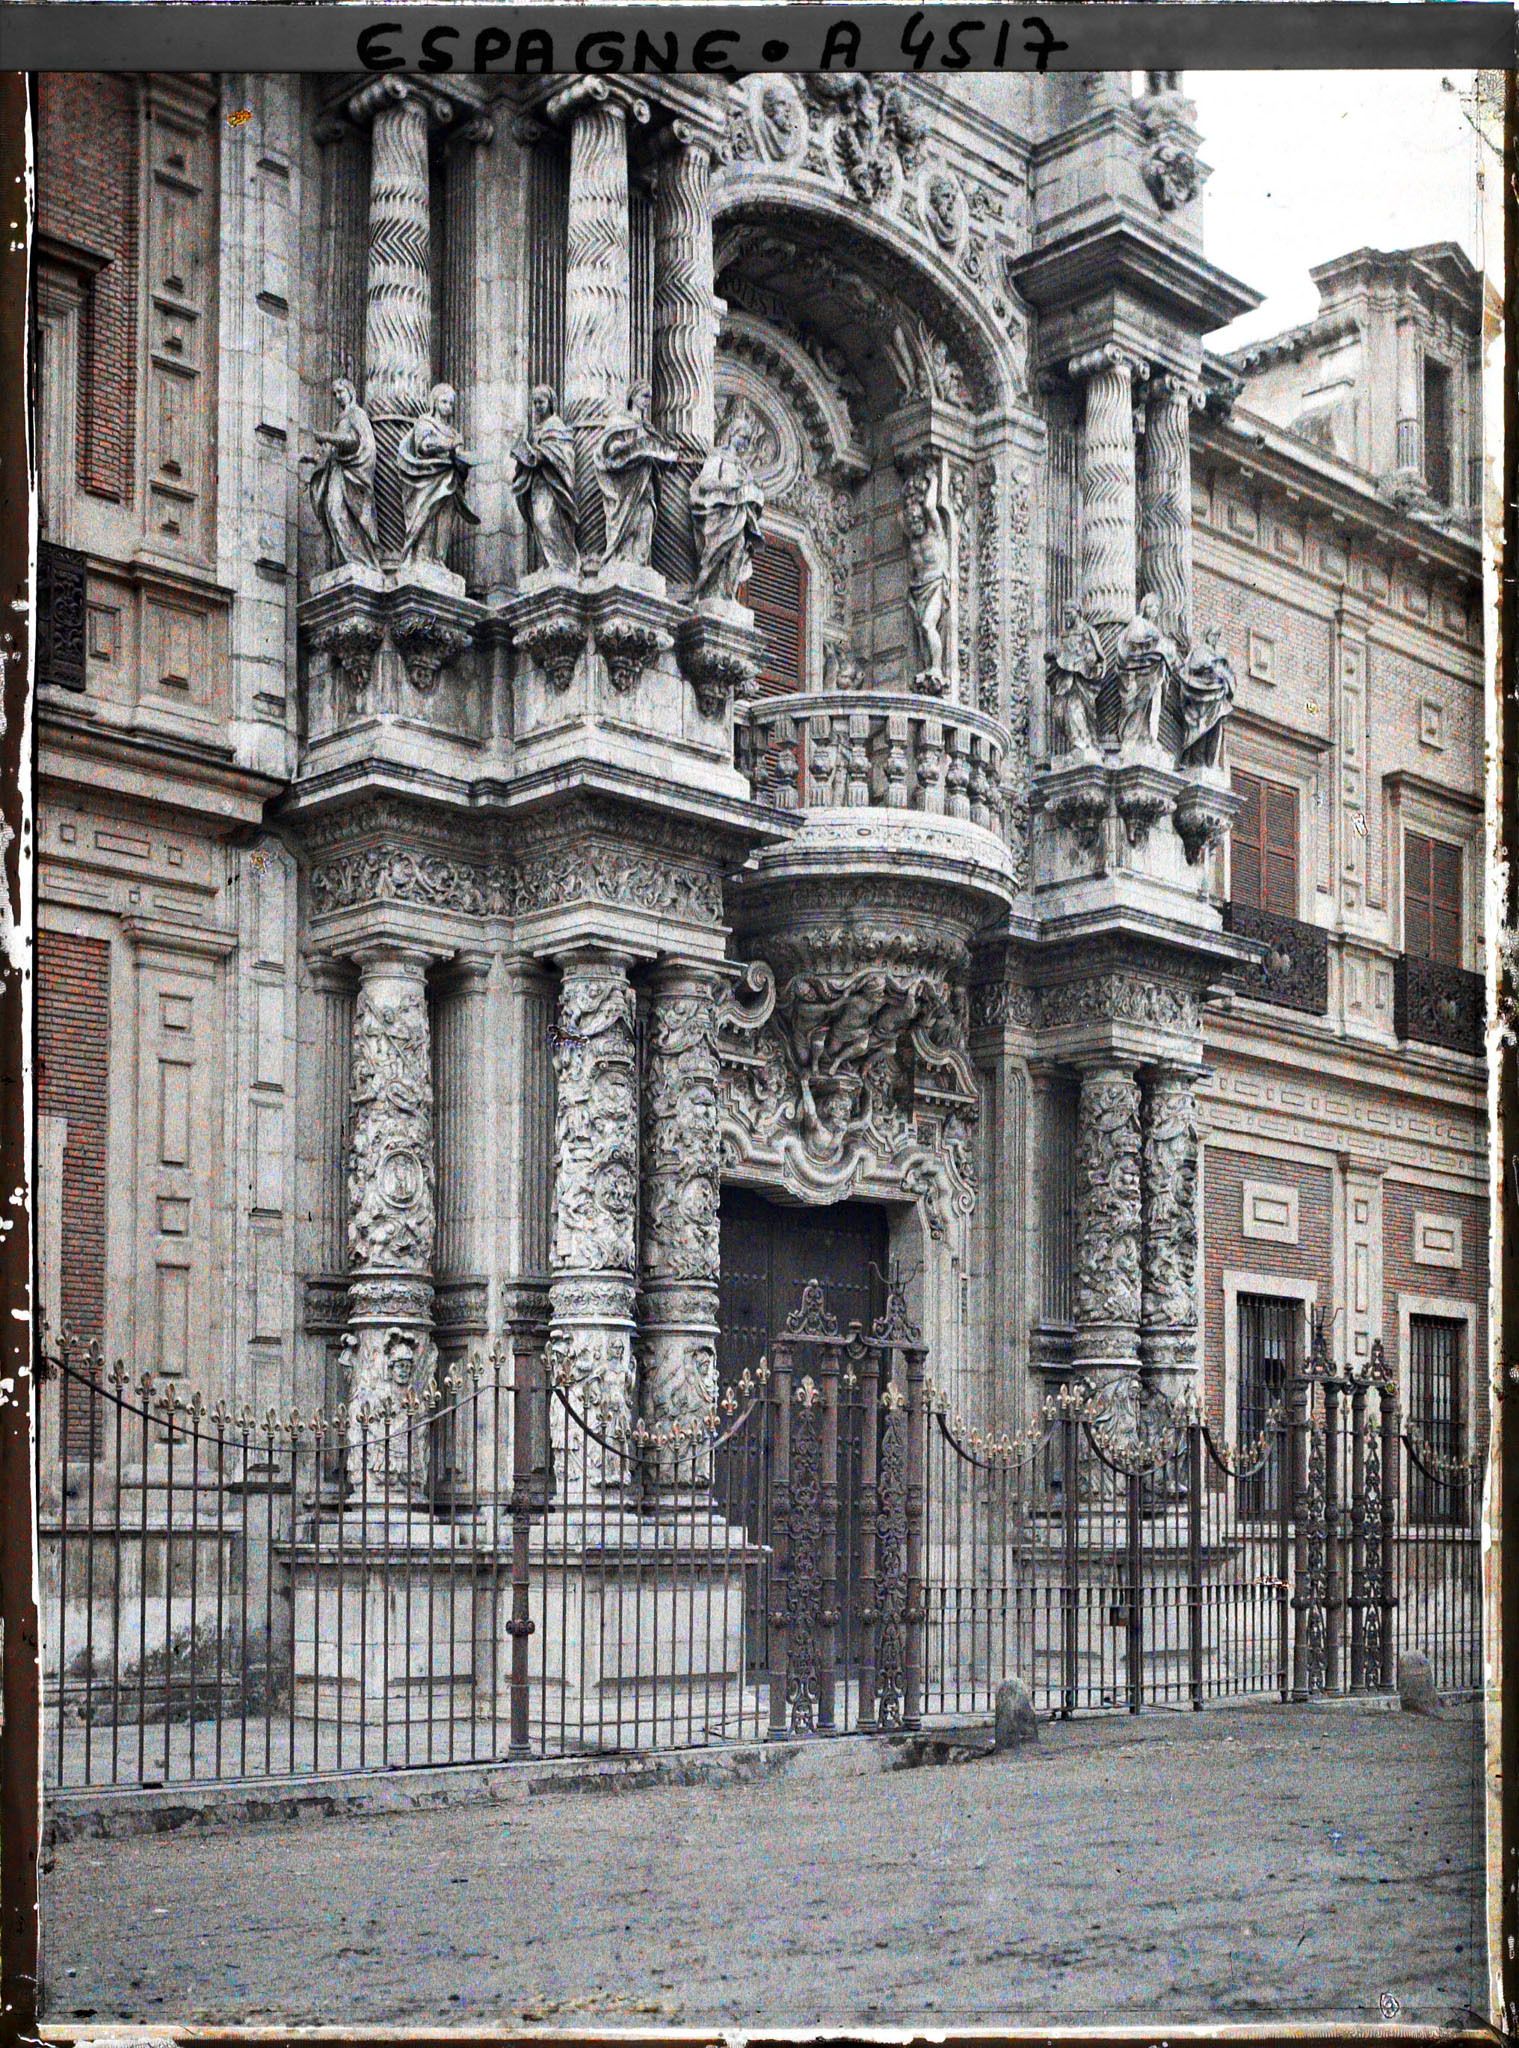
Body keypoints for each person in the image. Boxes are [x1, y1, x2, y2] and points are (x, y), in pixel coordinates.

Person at [594, 381, 678, 570]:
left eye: (650, 397)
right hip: (626, 484)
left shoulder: (648, 428)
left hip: (646, 481)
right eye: (645, 396)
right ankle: (621, 559)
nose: (648, 401)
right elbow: (608, 449)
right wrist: (628, 449)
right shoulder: (620, 421)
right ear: (633, 396)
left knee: (646, 517)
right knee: (627, 521)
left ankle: (639, 562)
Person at [396, 382, 478, 570]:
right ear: (434, 402)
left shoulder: (455, 433)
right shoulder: (425, 423)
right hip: (427, 480)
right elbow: (423, 446)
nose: (447, 407)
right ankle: (421, 559)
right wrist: (449, 446)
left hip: (450, 482)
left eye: (450, 404)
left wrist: (463, 463)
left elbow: (460, 461)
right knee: (426, 519)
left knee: (445, 524)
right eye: (444, 402)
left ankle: (439, 560)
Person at [305, 378, 379, 570]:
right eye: (335, 394)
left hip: (351, 474)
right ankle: (346, 559)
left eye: (341, 392)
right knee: (332, 512)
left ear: (351, 392)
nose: (338, 397)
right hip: (336, 472)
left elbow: (355, 442)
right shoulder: (341, 419)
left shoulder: (357, 415)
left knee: (340, 512)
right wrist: (312, 458)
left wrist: (327, 437)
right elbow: (330, 454)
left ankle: (359, 560)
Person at [691, 416, 765, 602]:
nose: (745, 443)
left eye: (748, 440)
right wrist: (729, 485)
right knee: (717, 553)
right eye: (742, 437)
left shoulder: (743, 468)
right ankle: (708, 591)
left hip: (738, 515)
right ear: (732, 434)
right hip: (720, 514)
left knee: (738, 549)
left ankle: (726, 595)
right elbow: (705, 483)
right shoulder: (718, 457)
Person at [510, 384, 579, 574]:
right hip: (537, 483)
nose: (538, 406)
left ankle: (562, 563)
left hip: (553, 484)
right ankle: (550, 563)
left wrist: (536, 452)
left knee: (547, 520)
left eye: (541, 402)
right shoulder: (536, 430)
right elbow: (530, 457)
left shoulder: (555, 425)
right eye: (535, 403)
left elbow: (561, 454)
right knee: (539, 523)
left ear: (550, 403)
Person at [904, 469, 951, 694]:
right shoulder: (912, 541)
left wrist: (932, 480)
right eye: (910, 520)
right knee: (921, 633)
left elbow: (931, 507)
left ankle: (936, 668)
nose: (913, 523)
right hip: (917, 589)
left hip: (934, 585)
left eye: (916, 518)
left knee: (927, 625)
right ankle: (927, 668)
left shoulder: (936, 533)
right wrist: (910, 495)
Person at [1115, 591, 1180, 750]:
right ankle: (1131, 737)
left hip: (1155, 672)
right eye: (1151, 606)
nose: (1154, 610)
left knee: (1153, 705)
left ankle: (1149, 737)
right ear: (1144, 607)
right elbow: (1133, 640)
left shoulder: (1156, 629)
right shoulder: (1138, 622)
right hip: (1140, 670)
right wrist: (1151, 640)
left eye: (1157, 607)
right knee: (1138, 704)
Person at [1046, 603, 1104, 756]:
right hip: (1065, 680)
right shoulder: (1064, 635)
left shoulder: (1088, 631)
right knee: (1059, 713)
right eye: (1064, 614)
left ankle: (1082, 744)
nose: (1066, 617)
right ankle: (1076, 743)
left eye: (1069, 613)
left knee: (1075, 709)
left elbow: (1095, 657)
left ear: (1078, 612)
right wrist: (1054, 655)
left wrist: (1081, 661)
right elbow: (1059, 652)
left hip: (1081, 679)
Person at [1179, 626, 1236, 770]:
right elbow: (1195, 667)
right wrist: (1211, 667)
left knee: (1214, 732)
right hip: (1201, 697)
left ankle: (1209, 762)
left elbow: (1228, 676)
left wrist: (1223, 677)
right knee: (1201, 731)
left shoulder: (1217, 655)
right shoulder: (1200, 651)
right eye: (1213, 634)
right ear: (1207, 634)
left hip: (1216, 698)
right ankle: (1197, 762)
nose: (1215, 638)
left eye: (1217, 635)